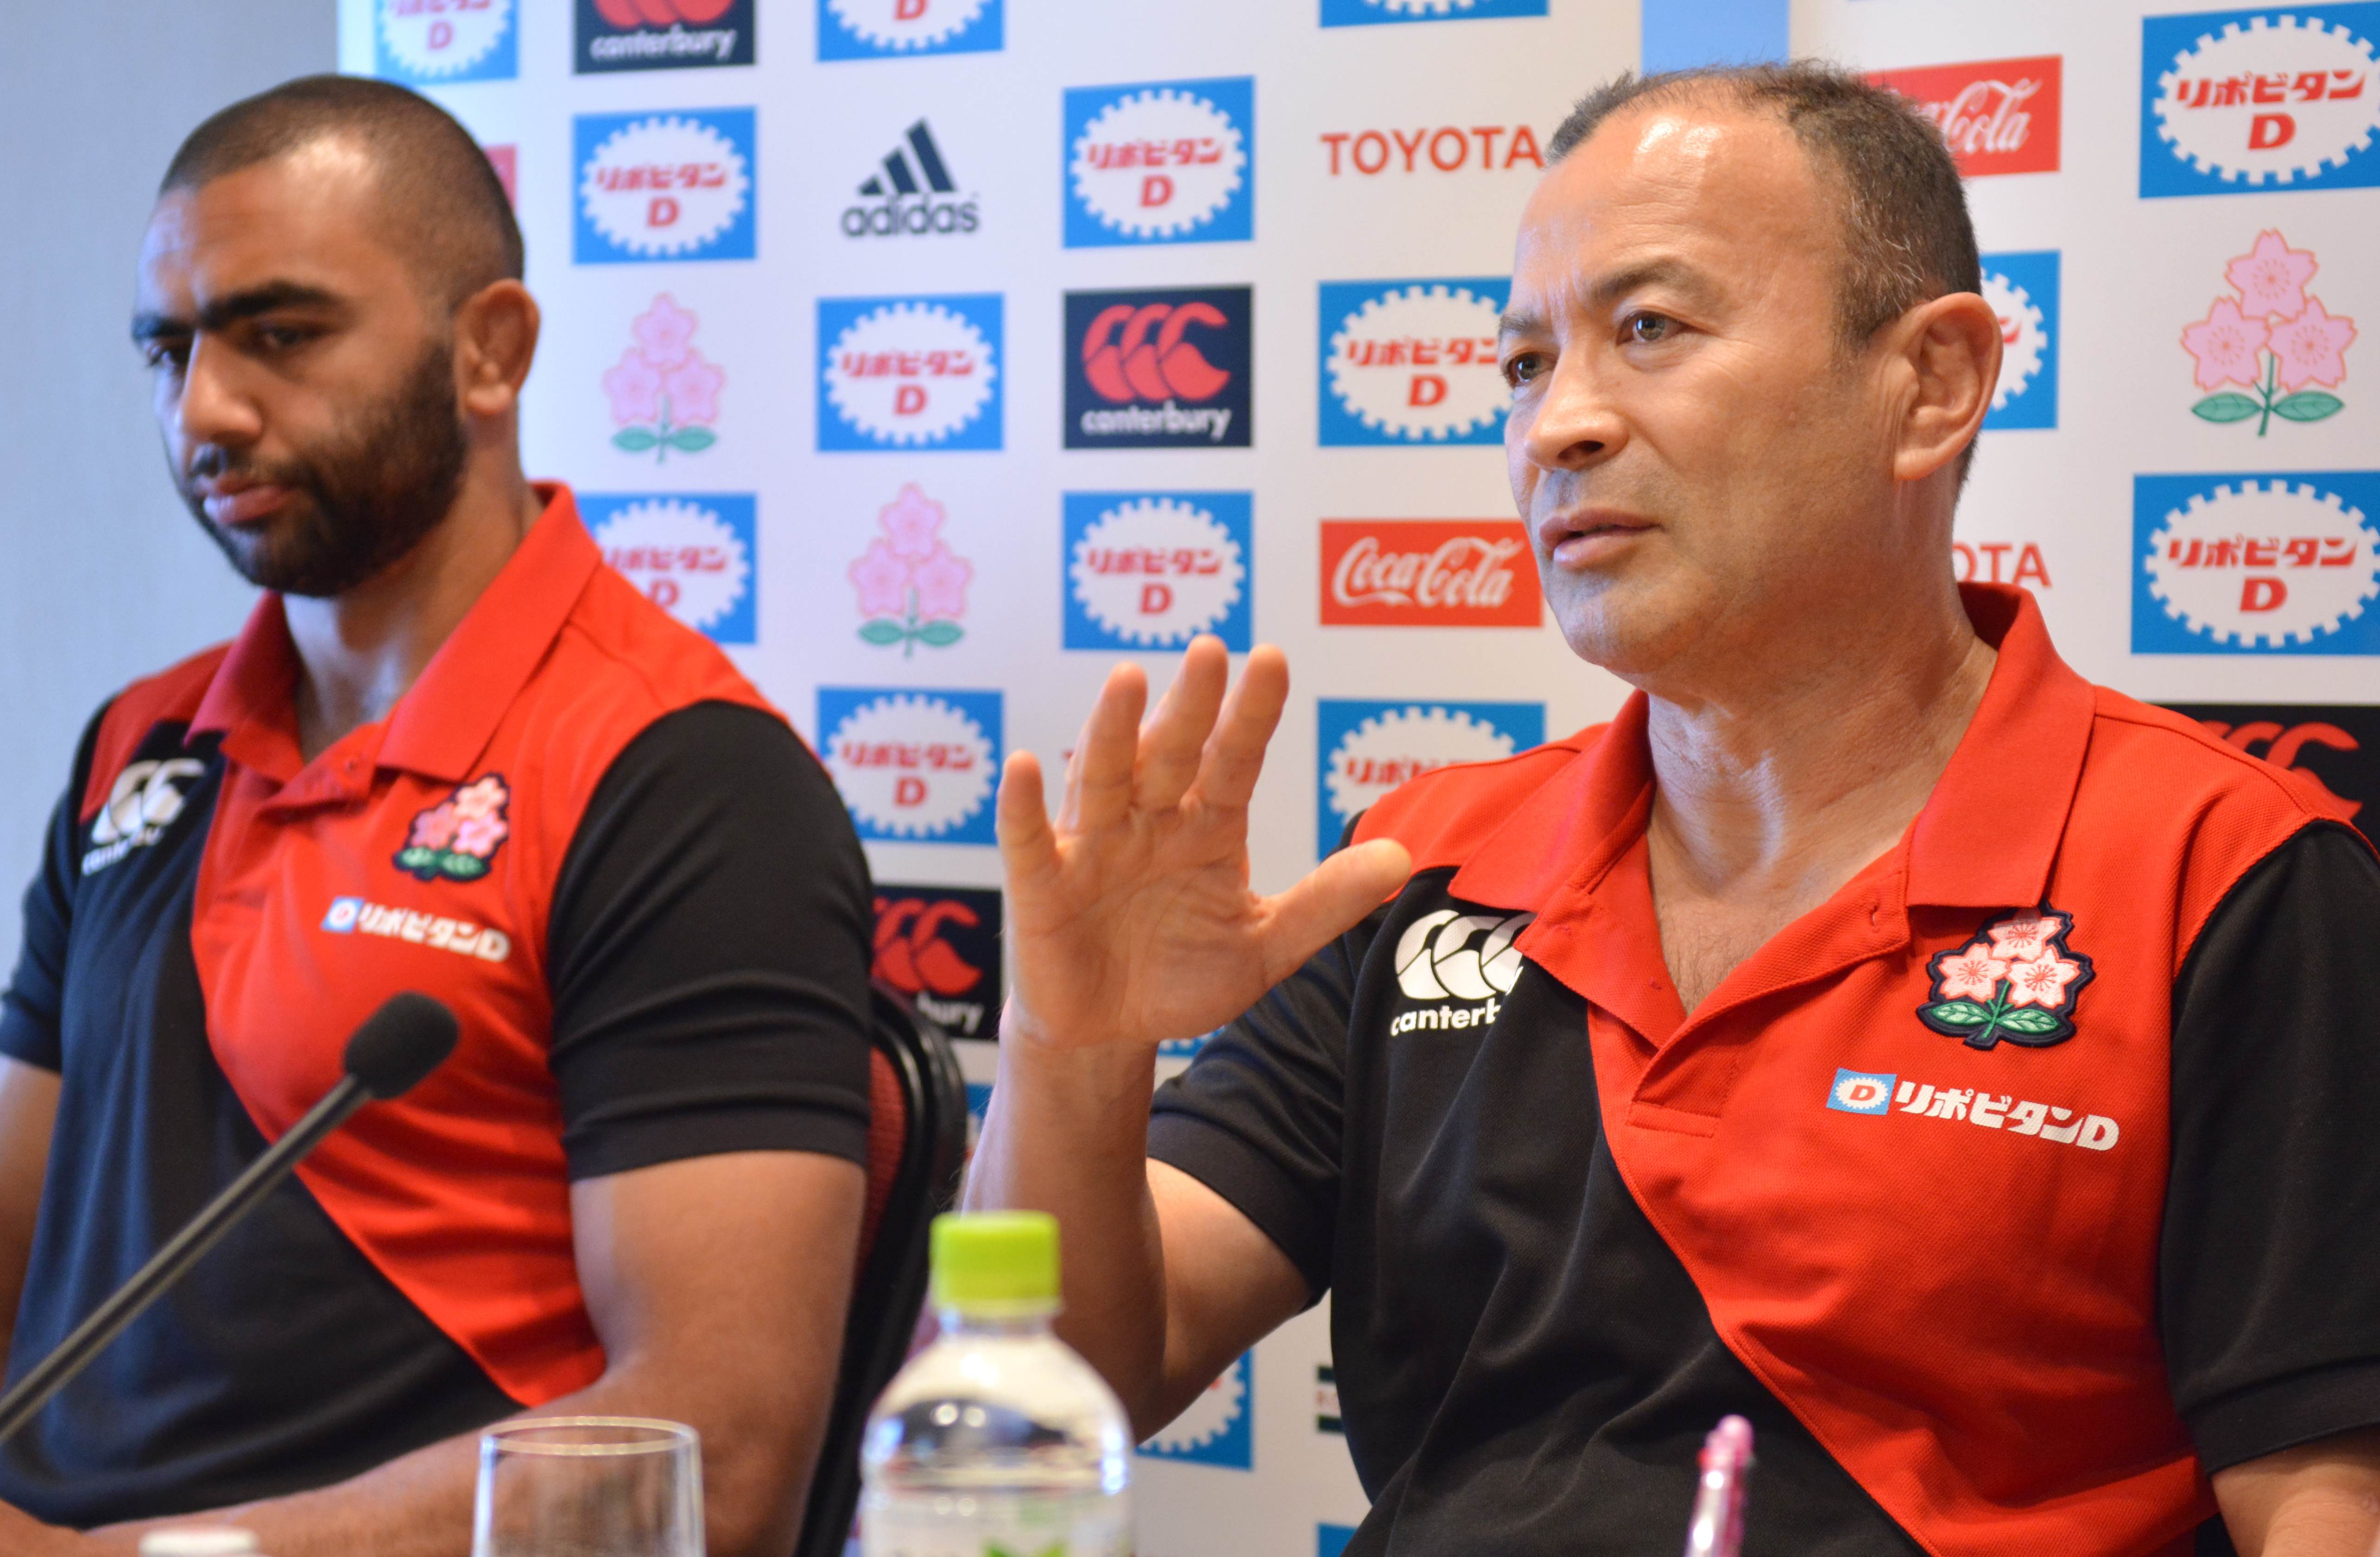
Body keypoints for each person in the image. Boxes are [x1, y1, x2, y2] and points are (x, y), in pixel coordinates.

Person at [968, 62, 2380, 1557]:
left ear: (1934, 383)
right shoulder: (1427, 865)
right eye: (1523, 364)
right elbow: (1082, 1383)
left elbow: (2327, 1510)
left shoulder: (2226, 877)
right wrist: (1074, 1049)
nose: (1558, 424)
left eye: (1650, 330)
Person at [0, 76, 874, 1556]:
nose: (204, 408)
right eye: (171, 347)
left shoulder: (678, 779)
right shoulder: (140, 747)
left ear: (491, 349)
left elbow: (713, 1462)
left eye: (281, 334)